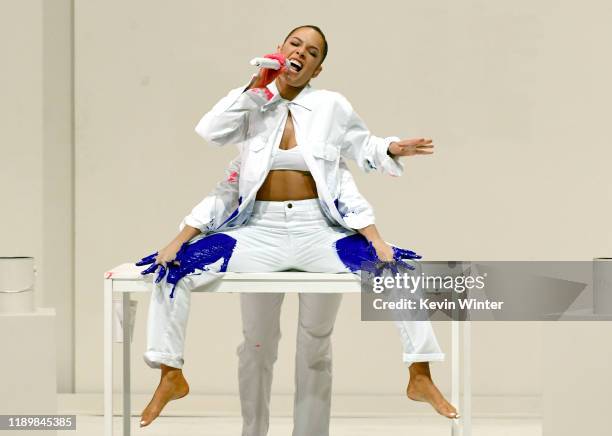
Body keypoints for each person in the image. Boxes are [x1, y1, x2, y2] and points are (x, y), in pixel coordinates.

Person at [137, 25, 458, 435]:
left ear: (317, 68)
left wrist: (391, 149)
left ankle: (420, 374)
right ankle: (170, 373)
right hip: (257, 231)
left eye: (312, 52)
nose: (301, 53)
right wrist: (257, 86)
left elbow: (362, 145)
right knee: (197, 289)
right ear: (280, 49)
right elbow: (210, 132)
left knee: (388, 277)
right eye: (295, 45)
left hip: (318, 231)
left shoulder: (331, 106)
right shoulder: (254, 103)